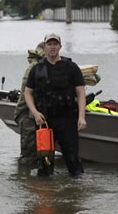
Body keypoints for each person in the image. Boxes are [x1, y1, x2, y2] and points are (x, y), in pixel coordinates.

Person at [24, 33, 86, 177]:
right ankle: (46, 195)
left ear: (60, 46)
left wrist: (81, 117)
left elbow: (81, 92)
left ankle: (76, 194)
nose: (52, 47)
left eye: (55, 44)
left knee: (73, 162)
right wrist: (35, 113)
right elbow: (27, 93)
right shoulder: (37, 69)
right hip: (44, 121)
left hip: (68, 119)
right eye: (49, 44)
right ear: (44, 47)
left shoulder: (71, 67)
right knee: (44, 163)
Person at [14, 42, 44, 167]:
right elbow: (28, 93)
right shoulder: (35, 67)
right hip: (27, 114)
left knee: (40, 153)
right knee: (29, 154)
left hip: (36, 113)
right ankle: (24, 180)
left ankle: (33, 181)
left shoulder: (42, 65)